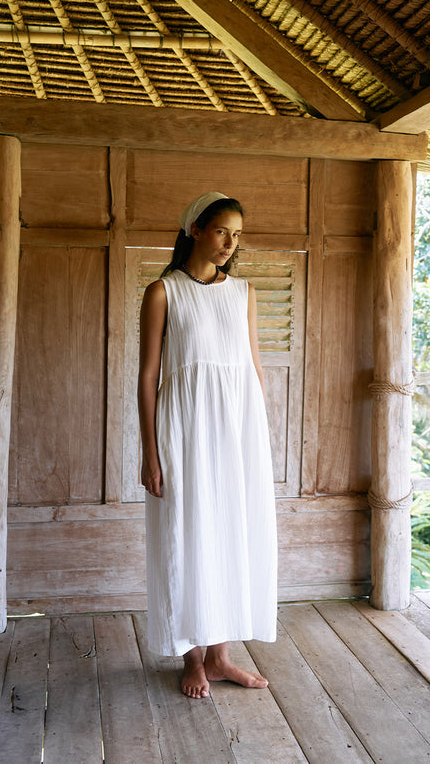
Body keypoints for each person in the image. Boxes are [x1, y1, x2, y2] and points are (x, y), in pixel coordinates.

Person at [138, 191, 277, 699]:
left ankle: (221, 657)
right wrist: (150, 452)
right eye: (222, 231)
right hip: (184, 430)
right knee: (187, 532)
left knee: (230, 532)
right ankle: (193, 657)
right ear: (195, 229)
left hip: (238, 429)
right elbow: (147, 378)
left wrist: (258, 436)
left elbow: (254, 367)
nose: (230, 243)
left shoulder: (243, 293)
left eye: (237, 235)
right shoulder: (163, 292)